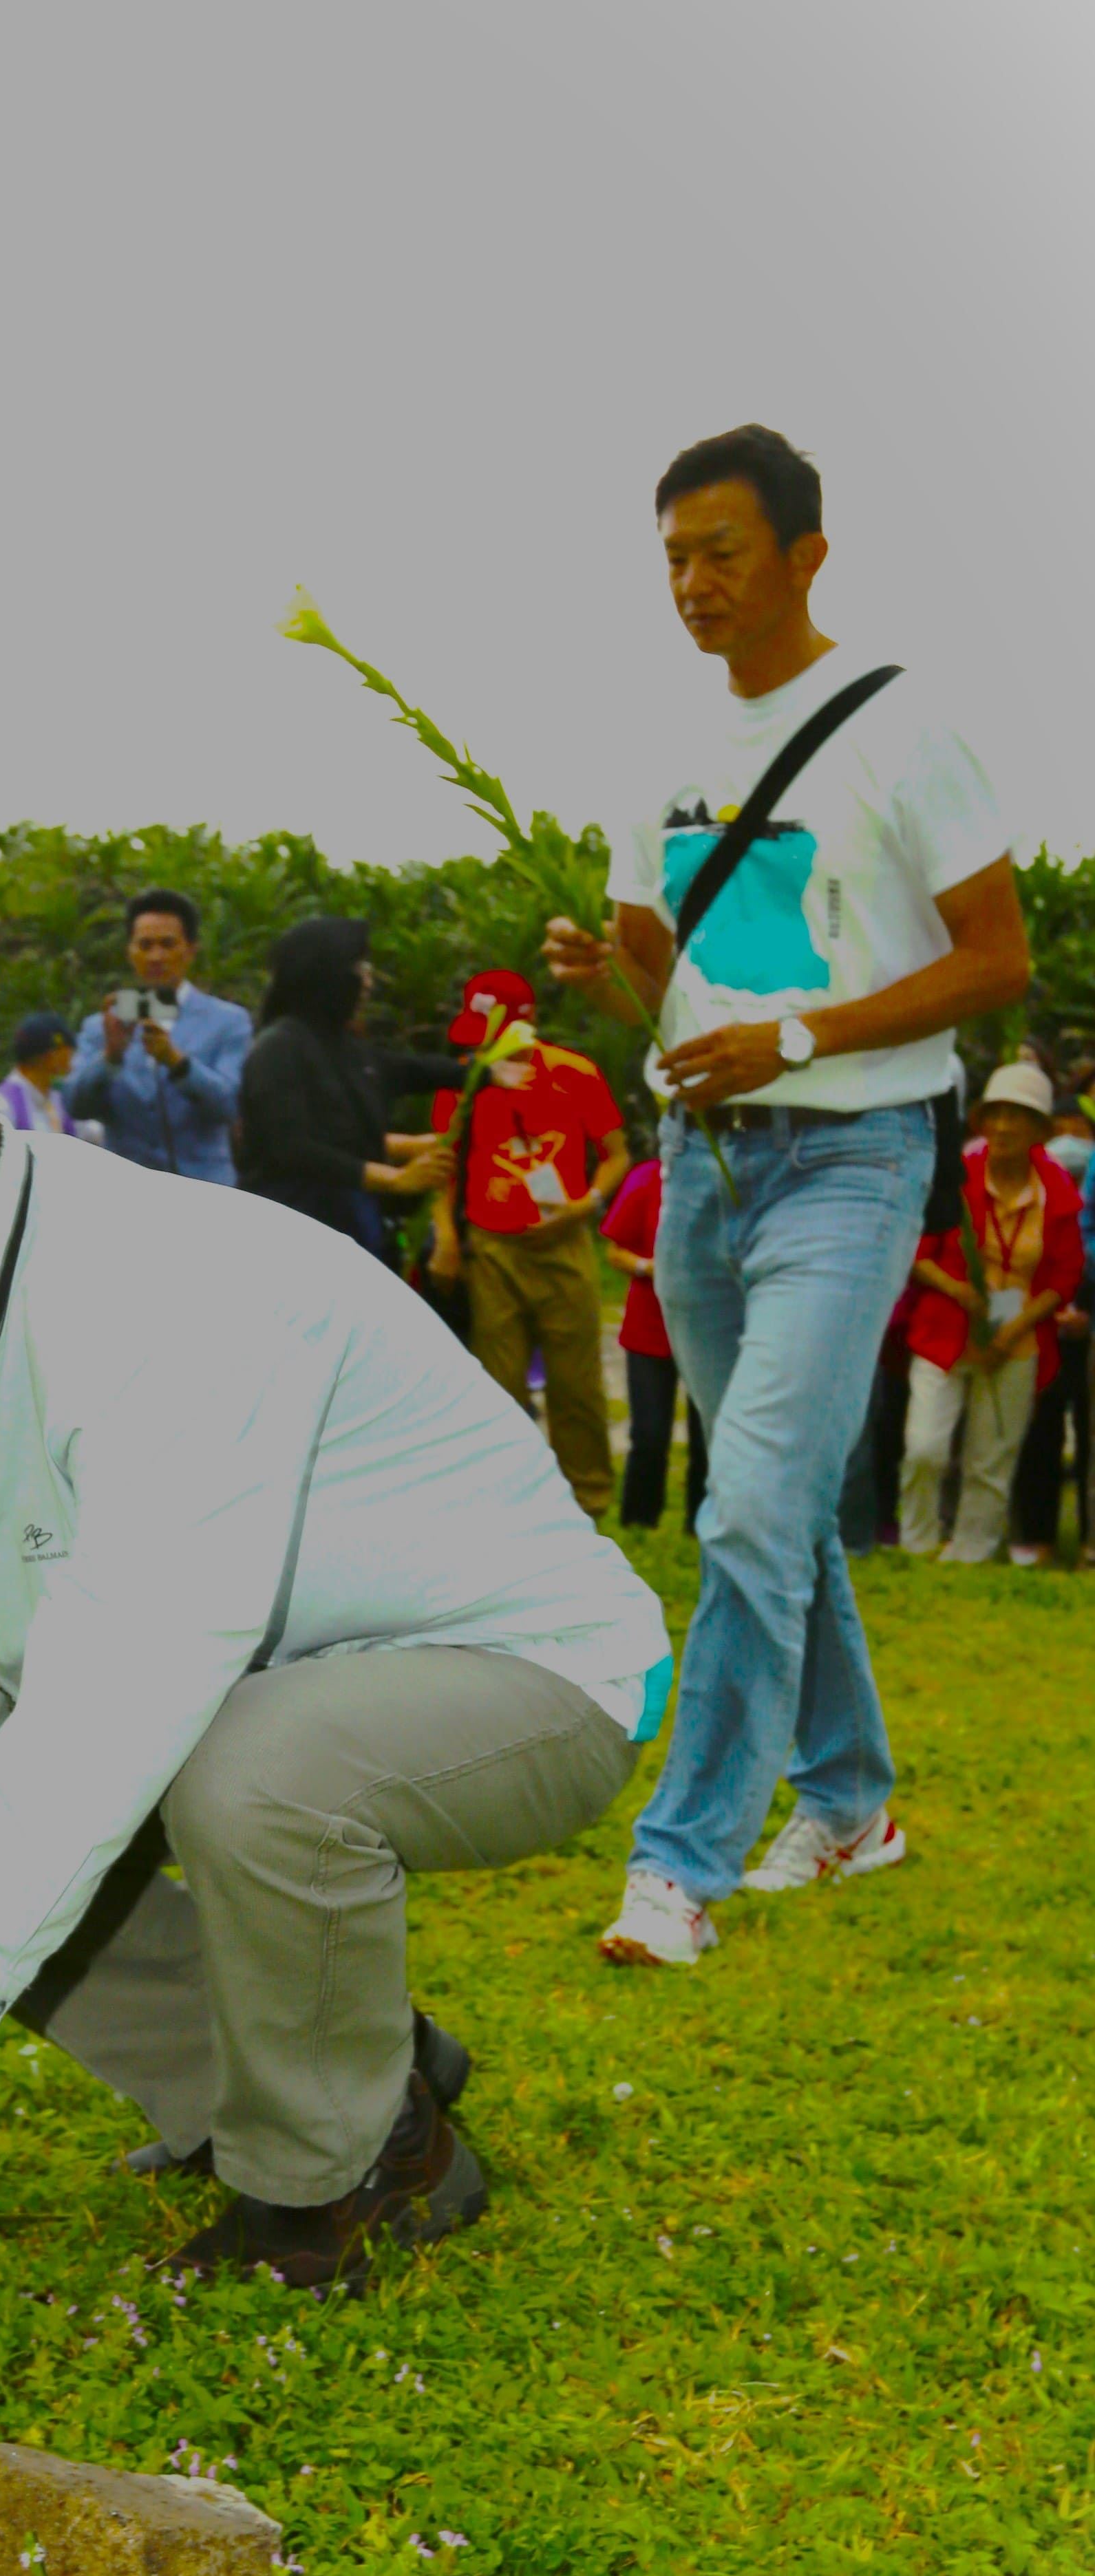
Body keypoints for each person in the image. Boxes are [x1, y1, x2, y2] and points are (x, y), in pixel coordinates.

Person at [0, 962, 670, 2297]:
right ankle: (335, 2071)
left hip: (531, 1676)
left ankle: (343, 2168)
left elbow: (120, 1704)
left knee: (252, 1771)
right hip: (251, 1690)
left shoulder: (161, 1295)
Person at [544, 425, 1028, 1962]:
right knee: (779, 1512)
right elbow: (664, 989)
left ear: (804, 555)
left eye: (719, 552)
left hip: (853, 1156)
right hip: (704, 1162)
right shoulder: (655, 746)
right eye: (671, 557)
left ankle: (672, 1866)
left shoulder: (898, 727)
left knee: (745, 1499)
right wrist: (604, 980)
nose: (689, 585)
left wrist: (803, 1036)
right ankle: (850, 1799)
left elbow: (993, 960)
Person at [426, 972, 628, 1515]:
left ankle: (588, 1499)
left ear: (528, 1022)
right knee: (499, 1382)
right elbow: (442, 1168)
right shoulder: (463, 1082)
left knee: (576, 1383)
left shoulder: (573, 1074)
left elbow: (616, 1155)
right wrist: (445, 1235)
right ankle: (508, 1500)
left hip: (563, 1248)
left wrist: (586, 1205)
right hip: (493, 1251)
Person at [897, 1062, 1083, 1562]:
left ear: (1039, 1130)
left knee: (991, 1456)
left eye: (1017, 1117)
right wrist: (959, 1292)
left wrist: (1015, 1327)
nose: (1003, 1127)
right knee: (925, 1446)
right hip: (946, 1328)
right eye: (995, 1115)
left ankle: (973, 1551)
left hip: (1017, 1333)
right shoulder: (954, 1178)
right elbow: (912, 1251)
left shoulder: (1055, 1191)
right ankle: (916, 1542)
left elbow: (1064, 1276)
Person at [233, 917, 456, 1258]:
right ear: (326, 976)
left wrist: (487, 1072)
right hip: (291, 1233)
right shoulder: (279, 1048)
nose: (367, 981)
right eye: (358, 967)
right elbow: (291, 1148)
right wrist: (394, 1179)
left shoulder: (342, 1045)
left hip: (351, 1224)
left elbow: (410, 1071)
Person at [63, 890, 251, 1184]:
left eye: (168, 944)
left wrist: (177, 1062)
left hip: (207, 1194)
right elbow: (75, 1106)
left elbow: (230, 1106)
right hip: (129, 1194)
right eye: (145, 945)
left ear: (190, 950)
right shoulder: (102, 1026)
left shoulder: (228, 1021)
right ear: (130, 951)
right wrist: (110, 1058)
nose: (156, 956)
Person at [597, 1153, 707, 1534]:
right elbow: (613, 1251)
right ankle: (639, 1521)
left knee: (709, 1436)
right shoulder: (647, 1179)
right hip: (649, 1327)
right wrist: (648, 1267)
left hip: (708, 1328)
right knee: (649, 1434)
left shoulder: (726, 1178)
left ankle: (702, 1524)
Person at [1010, 1087, 1092, 1564]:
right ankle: (1034, 1534)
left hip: (1086, 1313)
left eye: (1076, 1133)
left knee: (1087, 1430)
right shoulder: (1025, 1183)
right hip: (1030, 1321)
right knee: (1037, 1430)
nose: (1067, 1143)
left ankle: (1087, 1537)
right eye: (1057, 1133)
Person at [0, 1012, 79, 1136]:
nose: (72, 1057)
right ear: (51, 1054)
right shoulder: (2, 1104)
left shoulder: (56, 1098)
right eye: (68, 1050)